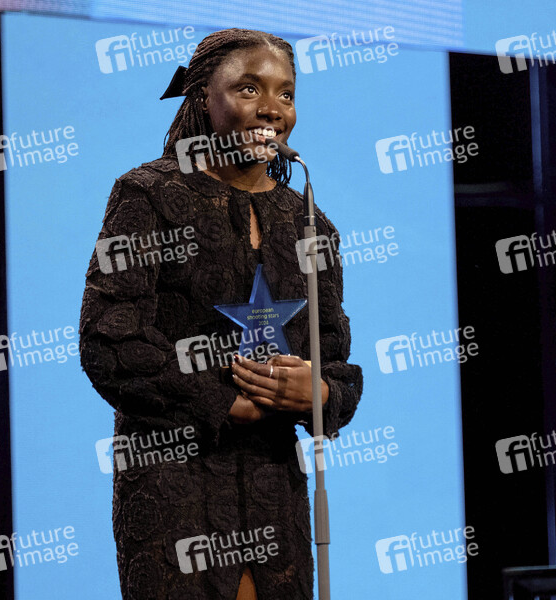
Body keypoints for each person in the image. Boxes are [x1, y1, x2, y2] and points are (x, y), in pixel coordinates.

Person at [78, 29, 362, 600]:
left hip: (274, 488)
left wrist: (320, 391)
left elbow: (334, 360)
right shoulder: (148, 195)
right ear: (203, 96)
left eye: (286, 93)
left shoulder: (310, 223)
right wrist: (222, 402)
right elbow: (109, 342)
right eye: (249, 88)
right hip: (174, 485)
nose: (272, 109)